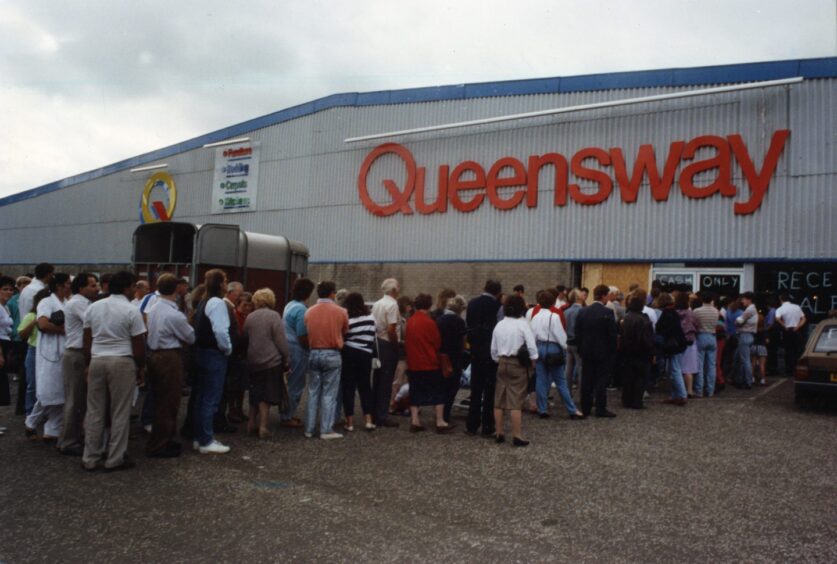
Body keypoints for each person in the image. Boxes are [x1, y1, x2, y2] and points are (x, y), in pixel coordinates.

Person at [81, 271, 147, 472]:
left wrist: (88, 363)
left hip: (97, 359)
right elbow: (138, 343)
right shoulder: (131, 310)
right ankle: (115, 457)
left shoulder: (94, 307)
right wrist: (141, 366)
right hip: (121, 359)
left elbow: (87, 339)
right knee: (120, 411)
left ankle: (90, 456)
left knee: (94, 410)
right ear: (127, 288)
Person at [144, 273, 195, 458]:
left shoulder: (154, 308)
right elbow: (190, 336)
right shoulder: (174, 314)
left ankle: (161, 439)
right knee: (169, 402)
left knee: (159, 399)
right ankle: (160, 443)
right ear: (176, 289)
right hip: (169, 356)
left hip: (154, 354)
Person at [57, 272, 99, 456]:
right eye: (92, 285)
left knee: (80, 399)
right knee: (75, 399)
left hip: (82, 353)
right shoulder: (78, 303)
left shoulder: (86, 303)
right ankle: (68, 441)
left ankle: (74, 436)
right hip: (76, 354)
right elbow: (94, 323)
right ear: (80, 288)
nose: (96, 288)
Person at [192, 269, 234, 454]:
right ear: (219, 283)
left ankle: (199, 436)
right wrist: (227, 349)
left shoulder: (204, 301)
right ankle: (206, 440)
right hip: (214, 354)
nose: (227, 284)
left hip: (202, 352)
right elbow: (221, 331)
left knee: (201, 397)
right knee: (211, 398)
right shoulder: (217, 303)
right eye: (225, 281)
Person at [24, 273, 71, 440]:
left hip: (64, 349)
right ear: (58, 286)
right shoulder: (46, 302)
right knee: (48, 391)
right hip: (49, 351)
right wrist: (64, 330)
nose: (69, 286)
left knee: (61, 391)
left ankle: (52, 430)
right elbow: (43, 324)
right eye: (67, 284)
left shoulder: (67, 303)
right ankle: (31, 422)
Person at [241, 288, 289, 439]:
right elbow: (280, 340)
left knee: (255, 393)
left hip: (253, 360)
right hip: (270, 360)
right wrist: (287, 357)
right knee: (266, 395)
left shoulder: (250, 317)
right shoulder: (274, 316)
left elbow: (245, 337)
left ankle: (250, 424)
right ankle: (263, 427)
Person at [303, 281, 348, 439]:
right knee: (329, 393)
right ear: (332, 293)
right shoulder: (341, 311)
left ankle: (309, 428)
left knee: (313, 391)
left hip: (314, 352)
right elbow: (344, 330)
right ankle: (326, 429)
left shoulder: (309, 311)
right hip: (332, 353)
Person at [490, 295, 537, 447]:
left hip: (502, 362)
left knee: (499, 399)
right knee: (516, 400)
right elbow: (531, 347)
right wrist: (534, 360)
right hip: (518, 363)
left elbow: (493, 350)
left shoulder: (499, 325)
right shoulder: (523, 325)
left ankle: (499, 432)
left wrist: (499, 360)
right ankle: (517, 435)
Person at [404, 293, 453, 434]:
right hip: (430, 362)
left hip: (413, 363)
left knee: (415, 392)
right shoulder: (430, 322)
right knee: (438, 392)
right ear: (429, 305)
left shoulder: (410, 321)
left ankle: (415, 421)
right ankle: (440, 421)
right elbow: (437, 343)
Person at [529, 289, 582, 419]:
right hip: (553, 348)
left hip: (539, 347)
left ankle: (542, 409)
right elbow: (561, 338)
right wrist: (564, 347)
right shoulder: (555, 316)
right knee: (560, 381)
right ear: (553, 302)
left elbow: (532, 336)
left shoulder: (535, 317)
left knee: (540, 379)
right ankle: (572, 409)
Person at [465, 279, 503, 436]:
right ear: (498, 292)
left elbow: (469, 325)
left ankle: (472, 425)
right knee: (490, 391)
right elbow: (499, 329)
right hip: (491, 352)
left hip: (475, 351)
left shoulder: (472, 303)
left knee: (476, 389)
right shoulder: (498, 307)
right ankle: (488, 426)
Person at [575, 285, 618, 417]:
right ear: (604, 296)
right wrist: (612, 351)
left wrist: (580, 349)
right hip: (603, 352)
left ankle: (586, 407)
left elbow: (578, 333)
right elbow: (612, 335)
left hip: (586, 351)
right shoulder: (607, 313)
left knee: (586, 379)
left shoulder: (582, 312)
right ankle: (600, 408)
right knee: (601, 381)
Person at [339, 292, 377, 432]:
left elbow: (342, 335)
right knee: (365, 387)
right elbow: (373, 335)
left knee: (348, 388)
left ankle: (349, 423)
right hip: (365, 356)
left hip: (349, 354)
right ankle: (368, 420)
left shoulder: (347, 320)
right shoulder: (371, 318)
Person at [281, 278, 315, 427]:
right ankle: (287, 416)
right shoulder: (302, 310)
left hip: (287, 346)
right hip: (297, 350)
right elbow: (302, 335)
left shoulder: (289, 305)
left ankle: (285, 413)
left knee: (289, 383)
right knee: (296, 384)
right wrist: (310, 347)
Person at [372, 278, 402, 428]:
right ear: (394, 290)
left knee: (377, 379)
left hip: (377, 342)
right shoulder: (392, 305)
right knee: (386, 381)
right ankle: (382, 415)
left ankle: (374, 411)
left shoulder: (377, 304)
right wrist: (396, 345)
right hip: (387, 344)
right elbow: (391, 329)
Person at [620, 290, 655, 409]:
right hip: (641, 352)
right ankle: (637, 401)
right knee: (640, 378)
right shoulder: (644, 319)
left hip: (627, 351)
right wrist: (651, 351)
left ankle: (626, 400)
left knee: (628, 376)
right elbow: (647, 339)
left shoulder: (626, 318)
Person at [436, 295, 466, 423]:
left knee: (441, 386)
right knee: (452, 387)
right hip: (454, 357)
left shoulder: (440, 320)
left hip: (441, 356)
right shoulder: (459, 322)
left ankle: (439, 415)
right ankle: (445, 415)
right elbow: (463, 341)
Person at [17, 289, 48, 417]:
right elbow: (22, 334)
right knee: (32, 383)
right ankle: (30, 412)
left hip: (47, 351)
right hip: (34, 350)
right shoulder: (31, 316)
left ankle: (45, 411)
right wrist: (34, 322)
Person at [656, 292, 688, 406]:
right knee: (673, 370)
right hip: (679, 344)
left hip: (674, 346)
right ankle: (675, 395)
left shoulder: (666, 313)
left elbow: (660, 328)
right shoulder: (673, 312)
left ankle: (682, 395)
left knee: (675, 370)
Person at [227, 291, 253, 424]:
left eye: (250, 305)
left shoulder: (247, 317)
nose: (247, 308)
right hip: (236, 355)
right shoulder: (235, 316)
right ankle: (232, 410)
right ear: (238, 304)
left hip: (244, 355)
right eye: (245, 305)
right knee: (234, 385)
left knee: (242, 385)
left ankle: (239, 409)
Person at [693, 292, 720, 397]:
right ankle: (710, 390)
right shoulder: (716, 311)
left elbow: (695, 323)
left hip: (701, 336)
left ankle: (699, 390)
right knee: (711, 366)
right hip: (712, 336)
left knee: (700, 365)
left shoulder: (697, 311)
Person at [675, 291, 700, 397]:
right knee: (688, 368)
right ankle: (689, 390)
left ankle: (678, 390)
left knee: (676, 367)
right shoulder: (690, 313)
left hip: (677, 341)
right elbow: (696, 325)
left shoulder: (674, 312)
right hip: (689, 341)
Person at [775, 293, 806, 376]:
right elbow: (803, 318)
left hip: (787, 330)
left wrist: (784, 325)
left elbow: (777, 318)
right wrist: (798, 326)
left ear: (781, 300)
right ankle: (797, 368)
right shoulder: (797, 307)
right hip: (796, 330)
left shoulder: (780, 309)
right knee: (797, 350)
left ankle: (789, 370)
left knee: (788, 351)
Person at [734, 291, 758, 389]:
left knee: (745, 360)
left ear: (749, 299)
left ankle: (748, 381)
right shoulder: (752, 309)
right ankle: (742, 379)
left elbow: (739, 321)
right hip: (748, 335)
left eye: (743, 299)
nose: (742, 301)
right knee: (742, 359)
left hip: (745, 335)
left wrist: (737, 321)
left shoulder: (749, 310)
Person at [563, 288, 584, 393]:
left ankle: (567, 392)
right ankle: (582, 392)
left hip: (568, 341)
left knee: (568, 368)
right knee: (580, 368)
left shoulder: (566, 312)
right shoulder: (582, 311)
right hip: (578, 342)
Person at [0, 276, 15, 407]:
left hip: (5, 343)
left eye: (11, 289)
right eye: (5, 289)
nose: (9, 292)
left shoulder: (5, 307)